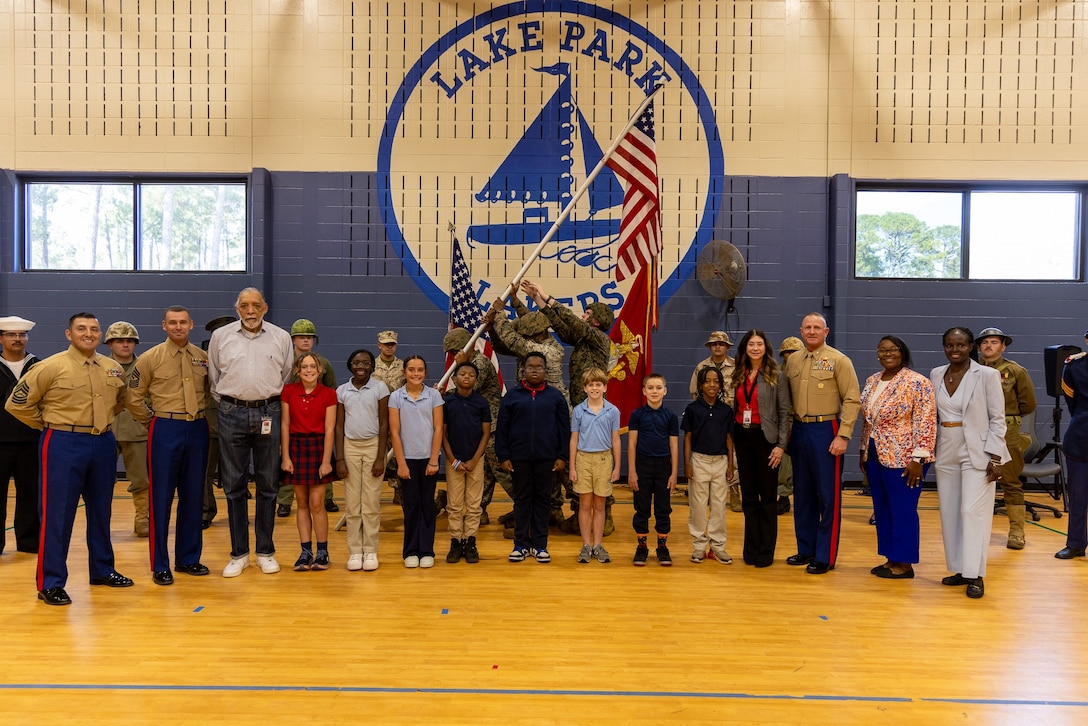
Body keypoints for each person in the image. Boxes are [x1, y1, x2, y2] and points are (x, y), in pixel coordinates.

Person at [5, 312, 133, 606]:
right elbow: (17, 404)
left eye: (94, 329)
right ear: (68, 334)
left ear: (101, 335)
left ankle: (102, 569)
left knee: (101, 512)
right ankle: (50, 583)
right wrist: (49, 425)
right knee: (57, 516)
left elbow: (121, 402)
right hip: (63, 442)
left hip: (102, 442)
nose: (88, 334)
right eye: (81, 329)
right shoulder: (50, 367)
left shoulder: (112, 368)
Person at [208, 287, 293, 578]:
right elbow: (214, 377)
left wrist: (262, 401)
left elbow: (286, 375)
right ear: (237, 309)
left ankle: (265, 551)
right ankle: (239, 553)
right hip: (231, 412)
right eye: (244, 306)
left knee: (269, 485)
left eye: (256, 305)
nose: (251, 311)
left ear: (265, 308)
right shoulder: (221, 337)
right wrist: (236, 402)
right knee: (233, 487)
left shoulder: (281, 337)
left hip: (269, 411)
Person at [521, 280, 618, 536]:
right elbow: (563, 328)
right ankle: (575, 511)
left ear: (596, 321)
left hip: (592, 413)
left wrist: (546, 294)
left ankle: (602, 516)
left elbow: (570, 322)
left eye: (587, 313)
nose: (583, 316)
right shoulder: (584, 341)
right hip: (580, 409)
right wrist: (538, 301)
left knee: (589, 461)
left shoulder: (598, 339)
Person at [124, 306, 211, 585]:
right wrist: (151, 422)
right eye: (172, 323)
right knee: (160, 497)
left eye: (183, 322)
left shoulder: (203, 358)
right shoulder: (150, 358)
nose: (178, 327)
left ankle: (188, 558)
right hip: (164, 428)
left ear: (191, 324)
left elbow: (210, 391)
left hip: (197, 427)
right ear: (164, 326)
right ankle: (160, 563)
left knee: (194, 496)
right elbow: (133, 396)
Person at [930, 327, 1010, 599]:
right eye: (950, 345)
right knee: (950, 511)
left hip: (979, 450)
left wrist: (996, 456)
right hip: (947, 446)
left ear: (971, 347)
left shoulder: (987, 374)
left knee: (971, 512)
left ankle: (976, 574)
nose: (955, 350)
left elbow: (998, 418)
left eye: (961, 345)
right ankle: (959, 569)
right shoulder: (936, 374)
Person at [784, 312, 861, 575]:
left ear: (826, 332)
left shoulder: (839, 360)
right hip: (799, 430)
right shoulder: (793, 360)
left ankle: (824, 555)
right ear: (801, 331)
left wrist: (844, 435)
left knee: (828, 496)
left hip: (826, 430)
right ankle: (805, 548)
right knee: (803, 494)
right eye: (808, 327)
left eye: (818, 327)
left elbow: (852, 399)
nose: (813, 331)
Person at [859, 336, 936, 579]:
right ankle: (891, 557)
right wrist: (863, 450)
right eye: (882, 350)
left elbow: (926, 422)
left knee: (902, 509)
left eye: (893, 349)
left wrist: (919, 458)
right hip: (875, 453)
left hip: (906, 459)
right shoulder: (872, 380)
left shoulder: (917, 382)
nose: (887, 353)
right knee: (882, 508)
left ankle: (904, 564)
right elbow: (868, 420)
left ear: (902, 353)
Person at [495, 351, 570, 564]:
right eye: (530, 366)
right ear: (523, 370)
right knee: (522, 501)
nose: (534, 370)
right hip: (519, 459)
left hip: (547, 459)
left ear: (546, 371)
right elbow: (502, 428)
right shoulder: (512, 396)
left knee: (542, 501)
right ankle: (520, 545)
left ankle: (540, 545)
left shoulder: (555, 397)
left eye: (539, 367)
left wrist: (562, 455)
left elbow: (564, 430)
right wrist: (504, 455)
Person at [729, 330, 792, 568]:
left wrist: (780, 446)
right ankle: (750, 549)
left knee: (767, 498)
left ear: (766, 348)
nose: (755, 348)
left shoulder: (776, 374)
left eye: (760, 344)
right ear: (745, 347)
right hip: (744, 438)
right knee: (748, 497)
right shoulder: (738, 373)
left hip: (767, 440)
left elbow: (785, 412)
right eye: (751, 344)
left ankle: (765, 552)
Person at [976, 326, 1037, 550]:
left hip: (1006, 432)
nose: (988, 346)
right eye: (984, 342)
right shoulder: (971, 370)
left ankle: (1017, 531)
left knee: (1010, 481)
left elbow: (1029, 403)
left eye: (994, 342)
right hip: (976, 430)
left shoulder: (1015, 371)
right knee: (976, 479)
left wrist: (1006, 418)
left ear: (1002, 346)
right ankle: (976, 531)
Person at [281, 353, 338, 571]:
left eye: (312, 366)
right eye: (304, 366)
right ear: (297, 371)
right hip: (295, 447)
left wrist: (326, 461)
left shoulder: (329, 394)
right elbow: (285, 426)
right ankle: (305, 552)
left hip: (318, 447)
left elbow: (330, 428)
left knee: (317, 503)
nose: (308, 370)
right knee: (301, 503)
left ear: (319, 369)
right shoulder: (288, 392)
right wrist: (285, 457)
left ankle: (322, 551)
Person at [444, 328, 507, 527]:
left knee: (500, 471)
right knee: (486, 472)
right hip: (477, 424)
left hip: (491, 425)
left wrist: (440, 392)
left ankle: (526, 509)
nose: (454, 356)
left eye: (456, 351)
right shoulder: (469, 363)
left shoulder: (478, 364)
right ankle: (481, 510)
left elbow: (465, 389)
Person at [277, 319, 338, 518]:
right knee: (290, 466)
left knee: (324, 464)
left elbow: (330, 390)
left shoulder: (324, 363)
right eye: (301, 337)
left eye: (309, 337)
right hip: (292, 422)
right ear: (293, 339)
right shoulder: (285, 363)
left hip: (317, 425)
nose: (305, 341)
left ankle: (327, 497)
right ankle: (285, 501)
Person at [335, 349, 389, 572]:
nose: (360, 366)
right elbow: (338, 426)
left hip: (373, 445)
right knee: (352, 502)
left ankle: (371, 551)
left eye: (366, 363)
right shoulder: (342, 390)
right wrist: (339, 458)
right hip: (350, 447)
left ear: (371, 366)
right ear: (350, 365)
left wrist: (380, 457)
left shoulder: (380, 388)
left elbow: (385, 424)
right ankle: (355, 552)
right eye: (356, 362)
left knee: (371, 502)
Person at [388, 355, 444, 568]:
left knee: (427, 505)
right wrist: (401, 463)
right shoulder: (396, 397)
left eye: (420, 370)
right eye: (411, 369)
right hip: (407, 460)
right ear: (404, 372)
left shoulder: (434, 396)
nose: (416, 373)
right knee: (411, 506)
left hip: (428, 460)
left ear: (425, 373)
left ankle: (426, 550)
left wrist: (433, 459)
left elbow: (438, 428)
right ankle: (410, 550)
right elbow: (395, 431)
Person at [682, 367, 735, 564]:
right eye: (707, 381)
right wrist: (687, 463)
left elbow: (729, 438)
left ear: (720, 385)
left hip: (720, 462)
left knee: (719, 506)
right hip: (699, 461)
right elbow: (687, 437)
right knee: (697, 506)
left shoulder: (726, 410)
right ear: (701, 385)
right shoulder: (693, 409)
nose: (712, 385)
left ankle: (718, 546)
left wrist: (730, 464)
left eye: (716, 381)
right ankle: (698, 546)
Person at [441, 361, 491, 564]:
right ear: (454, 378)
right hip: (454, 460)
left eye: (471, 374)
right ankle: (455, 540)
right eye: (462, 374)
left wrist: (475, 459)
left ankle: (470, 541)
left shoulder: (481, 402)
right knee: (454, 504)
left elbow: (486, 433)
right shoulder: (447, 402)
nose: (467, 377)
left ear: (476, 380)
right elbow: (442, 433)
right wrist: (453, 459)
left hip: (475, 460)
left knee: (473, 504)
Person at [569, 367, 621, 564]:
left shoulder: (612, 411)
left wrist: (616, 467)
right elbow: (574, 439)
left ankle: (598, 545)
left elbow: (616, 440)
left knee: (600, 506)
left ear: (605, 387)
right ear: (584, 388)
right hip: (583, 459)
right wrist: (573, 467)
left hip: (603, 460)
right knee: (585, 504)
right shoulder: (579, 410)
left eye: (598, 384)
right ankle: (586, 545)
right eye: (591, 385)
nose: (594, 388)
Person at [627, 373, 679, 566]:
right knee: (641, 507)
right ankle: (642, 547)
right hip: (642, 466)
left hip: (664, 466)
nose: (654, 391)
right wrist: (632, 471)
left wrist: (674, 473)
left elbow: (674, 446)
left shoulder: (671, 416)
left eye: (658, 388)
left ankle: (662, 547)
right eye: (650, 388)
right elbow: (631, 444)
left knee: (663, 508)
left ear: (665, 391)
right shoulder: (637, 414)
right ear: (644, 391)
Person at [104, 321, 151, 538]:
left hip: (138, 430)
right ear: (110, 344)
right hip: (106, 430)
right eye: (119, 341)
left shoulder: (146, 365)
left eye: (129, 341)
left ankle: (143, 518)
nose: (125, 345)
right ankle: (100, 521)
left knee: (141, 479)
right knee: (101, 480)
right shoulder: (100, 365)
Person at [0, 315, 41, 556]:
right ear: (1, 338)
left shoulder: (39, 365)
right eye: (11, 335)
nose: (17, 339)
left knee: (30, 494)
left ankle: (29, 542)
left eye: (22, 335)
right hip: (0, 442)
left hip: (31, 441)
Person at [690, 331, 742, 513]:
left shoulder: (736, 367)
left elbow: (742, 393)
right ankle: (707, 492)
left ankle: (735, 490)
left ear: (727, 347)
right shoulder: (701, 367)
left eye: (721, 343)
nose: (717, 346)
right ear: (710, 347)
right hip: (708, 419)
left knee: (733, 455)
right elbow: (695, 393)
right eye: (714, 344)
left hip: (731, 417)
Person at [200, 315, 236, 530]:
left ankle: (237, 511)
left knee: (237, 472)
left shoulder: (243, 353)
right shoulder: (203, 357)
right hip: (211, 421)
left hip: (238, 421)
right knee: (204, 472)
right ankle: (205, 511)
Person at [1057, 334, 1088, 560]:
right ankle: (1076, 544)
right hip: (1082, 439)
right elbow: (1073, 403)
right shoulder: (1074, 366)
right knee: (1078, 497)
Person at [372, 330, 405, 504]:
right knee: (376, 455)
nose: (389, 347)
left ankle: (398, 490)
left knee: (396, 455)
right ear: (379, 345)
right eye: (386, 344)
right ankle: (372, 494)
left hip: (396, 416)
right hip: (376, 417)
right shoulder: (371, 365)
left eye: (392, 344)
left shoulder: (403, 366)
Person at [776, 336, 803, 515]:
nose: (791, 355)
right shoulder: (777, 373)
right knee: (784, 462)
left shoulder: (807, 372)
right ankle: (783, 496)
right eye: (788, 352)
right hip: (783, 420)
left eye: (795, 352)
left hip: (803, 421)